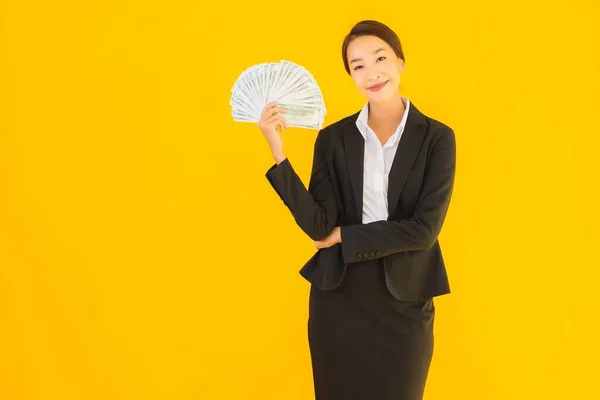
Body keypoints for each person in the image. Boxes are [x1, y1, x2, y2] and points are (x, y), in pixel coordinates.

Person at [258, 19, 456, 400]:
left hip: (405, 299)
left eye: (380, 57)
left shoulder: (437, 138)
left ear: (400, 61)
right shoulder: (332, 139)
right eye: (358, 65)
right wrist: (277, 149)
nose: (371, 72)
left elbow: (424, 230)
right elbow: (319, 227)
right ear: (350, 75)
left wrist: (345, 236)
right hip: (339, 300)